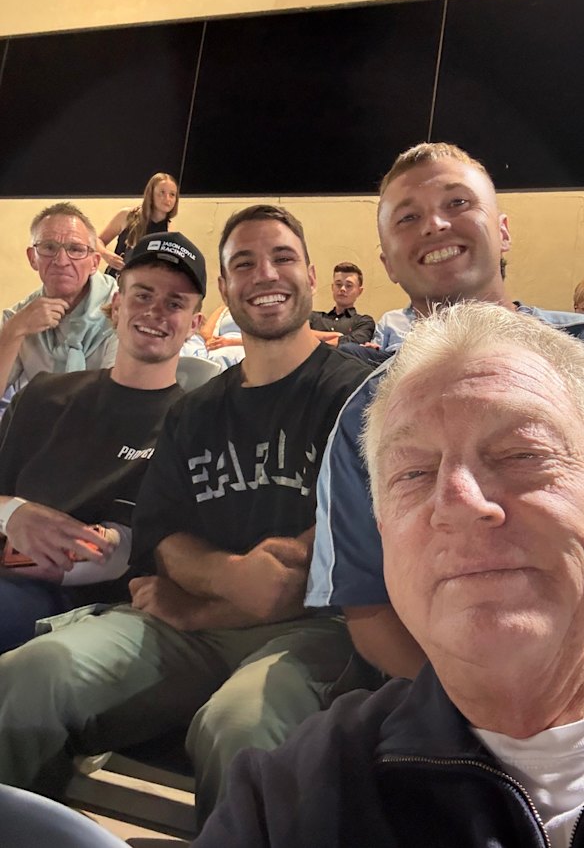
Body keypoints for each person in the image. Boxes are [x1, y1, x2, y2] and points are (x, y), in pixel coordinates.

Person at [0, 205, 369, 832]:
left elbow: (324, 558)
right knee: (31, 674)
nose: (264, 273)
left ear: (310, 272)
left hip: (314, 632)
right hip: (181, 630)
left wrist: (206, 600)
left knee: (242, 725)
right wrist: (223, 586)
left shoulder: (359, 395)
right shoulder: (194, 412)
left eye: (281, 257)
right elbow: (162, 542)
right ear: (226, 290)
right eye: (242, 262)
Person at [193, 302, 584, 847]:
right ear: (381, 534)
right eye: (414, 473)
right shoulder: (285, 800)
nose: (458, 502)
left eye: (522, 453)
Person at [305, 141, 584, 679]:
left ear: (502, 230)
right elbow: (368, 608)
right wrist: (485, 720)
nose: (434, 225)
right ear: (386, 261)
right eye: (408, 217)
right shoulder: (368, 410)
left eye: (457, 204)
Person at [0, 230, 206, 652]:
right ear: (116, 306)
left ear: (194, 324)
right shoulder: (42, 395)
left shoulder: (191, 428)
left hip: (73, 610)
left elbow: (113, 552)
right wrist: (13, 513)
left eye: (175, 303)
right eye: (143, 296)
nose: (155, 312)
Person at [0, 203, 118, 401]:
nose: (61, 260)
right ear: (32, 258)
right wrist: (14, 330)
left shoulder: (121, 312)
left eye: (76, 249)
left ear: (94, 262)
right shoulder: (19, 317)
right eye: (49, 248)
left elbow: (119, 401)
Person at [97, 172, 179, 275]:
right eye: (162, 192)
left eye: (172, 194)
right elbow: (97, 240)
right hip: (116, 281)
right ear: (151, 193)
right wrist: (106, 255)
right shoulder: (126, 215)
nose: (167, 199)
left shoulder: (170, 231)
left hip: (142, 287)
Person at [309, 262, 375, 347]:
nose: (343, 289)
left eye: (349, 286)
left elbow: (353, 343)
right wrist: (335, 336)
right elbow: (297, 336)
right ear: (332, 287)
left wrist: (313, 340)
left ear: (359, 291)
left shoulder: (364, 322)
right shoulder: (313, 317)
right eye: (338, 284)